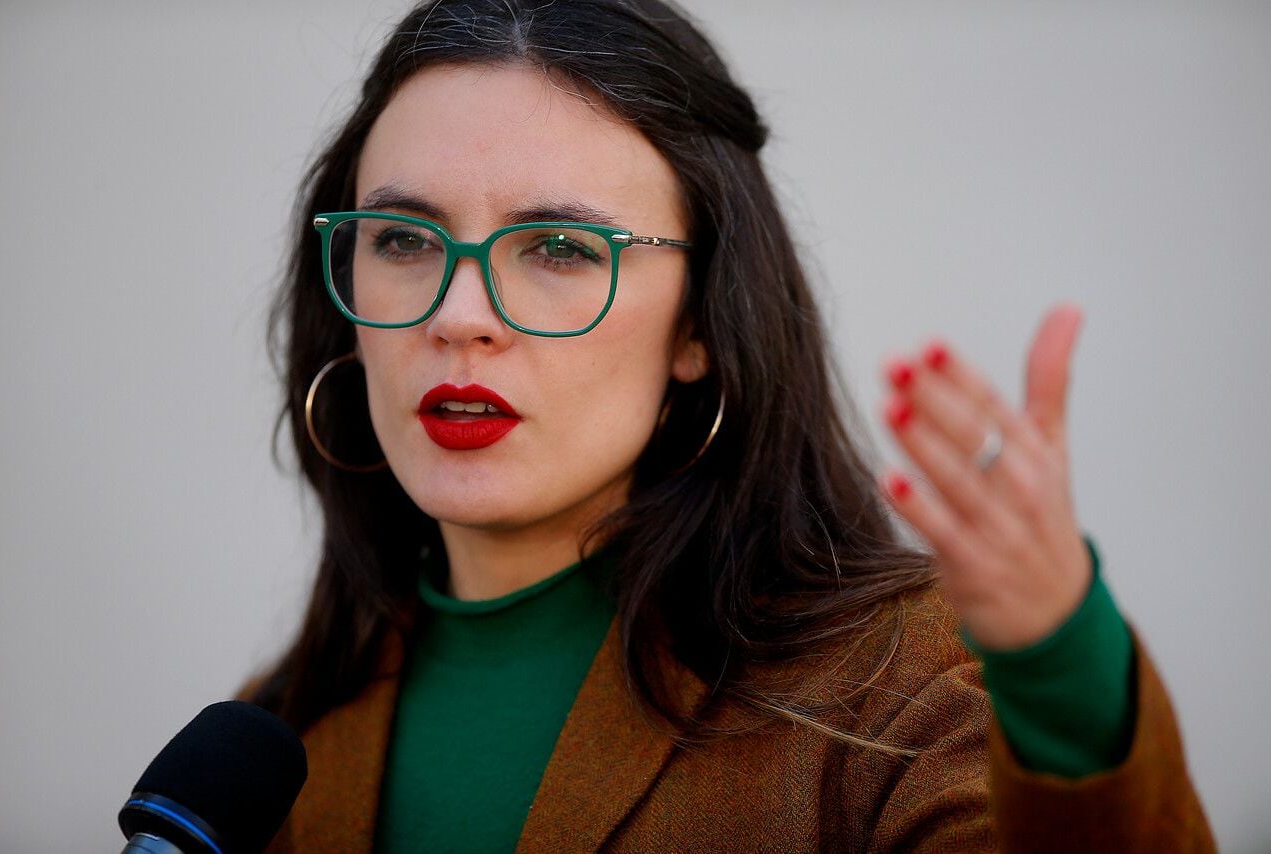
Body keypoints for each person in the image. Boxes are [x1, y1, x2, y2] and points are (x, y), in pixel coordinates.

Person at [245, 0, 1214, 850]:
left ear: (701, 320)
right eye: (405, 239)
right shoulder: (262, 746)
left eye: (559, 247)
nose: (457, 314)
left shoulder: (899, 686)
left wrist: (1063, 677)